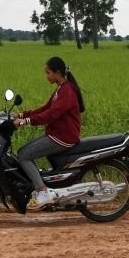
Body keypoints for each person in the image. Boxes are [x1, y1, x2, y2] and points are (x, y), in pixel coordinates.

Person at [12, 56, 85, 208]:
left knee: (24, 155)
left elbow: (51, 114)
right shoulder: (61, 89)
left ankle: (43, 192)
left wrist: (25, 122)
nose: (46, 76)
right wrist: (21, 115)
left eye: (48, 73)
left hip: (63, 137)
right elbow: (46, 108)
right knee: (23, 151)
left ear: (57, 72)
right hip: (56, 134)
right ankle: (39, 188)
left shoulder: (67, 91)